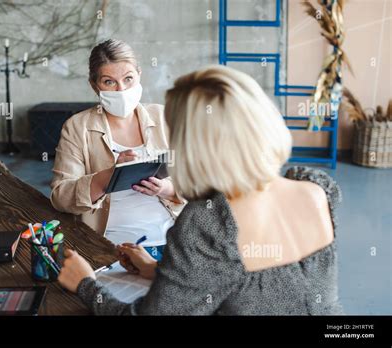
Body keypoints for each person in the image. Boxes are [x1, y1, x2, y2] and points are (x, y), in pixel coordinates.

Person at [58, 65, 344, 315]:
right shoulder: (317, 190)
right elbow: (268, 290)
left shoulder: (208, 222)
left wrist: (86, 285)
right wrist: (156, 272)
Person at [50, 39, 185, 260]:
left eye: (128, 79)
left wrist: (166, 189)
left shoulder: (164, 117)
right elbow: (61, 197)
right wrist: (108, 178)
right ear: (94, 85)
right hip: (113, 246)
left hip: (172, 241)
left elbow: (198, 183)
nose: (121, 89)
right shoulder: (78, 127)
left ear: (139, 75)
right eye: (109, 82)